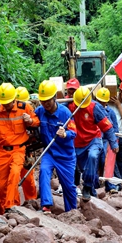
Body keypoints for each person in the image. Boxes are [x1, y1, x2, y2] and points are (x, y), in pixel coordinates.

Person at [0, 83, 39, 212]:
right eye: (4, 102)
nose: (6, 105)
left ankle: (11, 206)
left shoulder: (24, 107)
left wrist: (29, 121)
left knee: (14, 175)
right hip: (1, 151)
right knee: (1, 185)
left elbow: (37, 122)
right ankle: (8, 209)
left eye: (8, 102)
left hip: (19, 149)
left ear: (14, 99)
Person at [68, 86, 118, 201]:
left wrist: (113, 143)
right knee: (84, 169)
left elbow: (107, 126)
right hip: (78, 143)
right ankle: (92, 193)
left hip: (93, 140)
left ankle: (87, 186)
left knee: (93, 156)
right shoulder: (70, 107)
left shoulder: (94, 107)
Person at [34, 80, 77, 213]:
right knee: (44, 172)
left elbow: (74, 132)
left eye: (48, 100)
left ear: (54, 98)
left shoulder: (65, 113)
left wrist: (65, 134)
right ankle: (46, 205)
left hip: (66, 155)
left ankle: (72, 212)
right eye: (42, 101)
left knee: (68, 186)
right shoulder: (40, 111)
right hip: (49, 152)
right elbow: (31, 120)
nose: (45, 103)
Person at [95, 88, 120, 193]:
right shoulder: (94, 109)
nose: (100, 103)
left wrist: (114, 142)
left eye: (102, 101)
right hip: (95, 138)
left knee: (106, 160)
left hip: (106, 139)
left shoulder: (111, 112)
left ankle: (111, 185)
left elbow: (115, 129)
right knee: (94, 160)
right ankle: (94, 185)